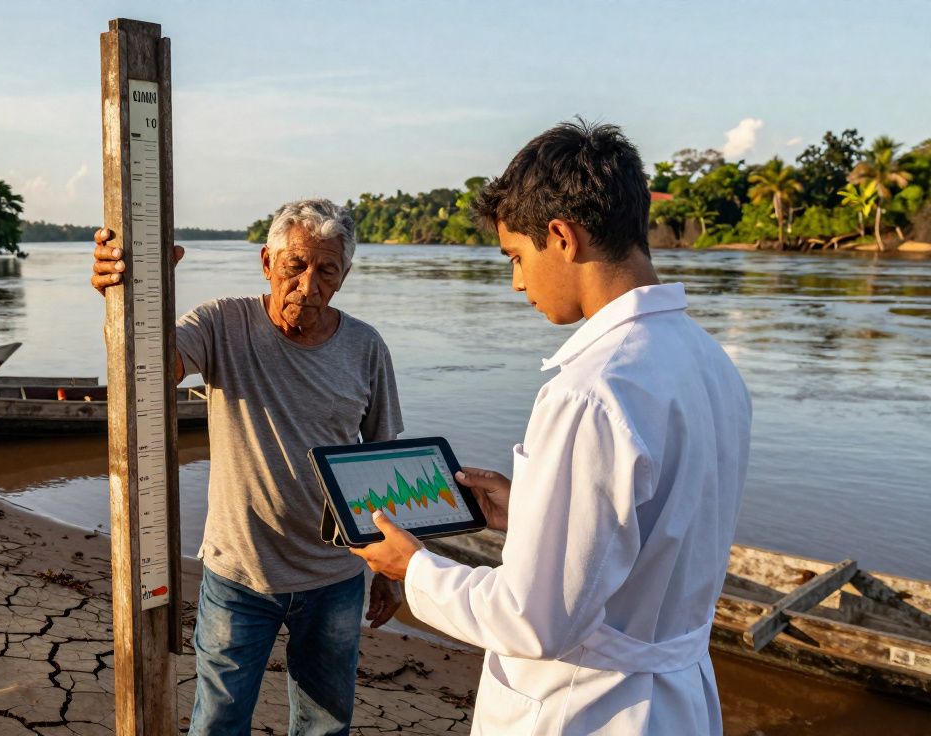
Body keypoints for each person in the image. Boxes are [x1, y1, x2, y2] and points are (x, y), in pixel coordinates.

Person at [351, 120, 752, 735]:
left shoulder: (592, 390)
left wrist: (417, 569)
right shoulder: (708, 361)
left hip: (589, 710)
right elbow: (659, 529)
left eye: (517, 256)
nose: (517, 282)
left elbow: (534, 619)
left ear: (562, 236)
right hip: (678, 698)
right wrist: (535, 511)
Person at [91, 199, 405, 735]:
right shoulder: (221, 323)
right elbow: (147, 368)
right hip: (240, 573)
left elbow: (380, 461)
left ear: (345, 276)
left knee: (325, 726)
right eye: (295, 266)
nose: (308, 285)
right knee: (219, 722)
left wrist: (389, 569)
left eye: (327, 270)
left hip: (336, 576)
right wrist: (128, 294)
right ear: (266, 261)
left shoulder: (366, 347)